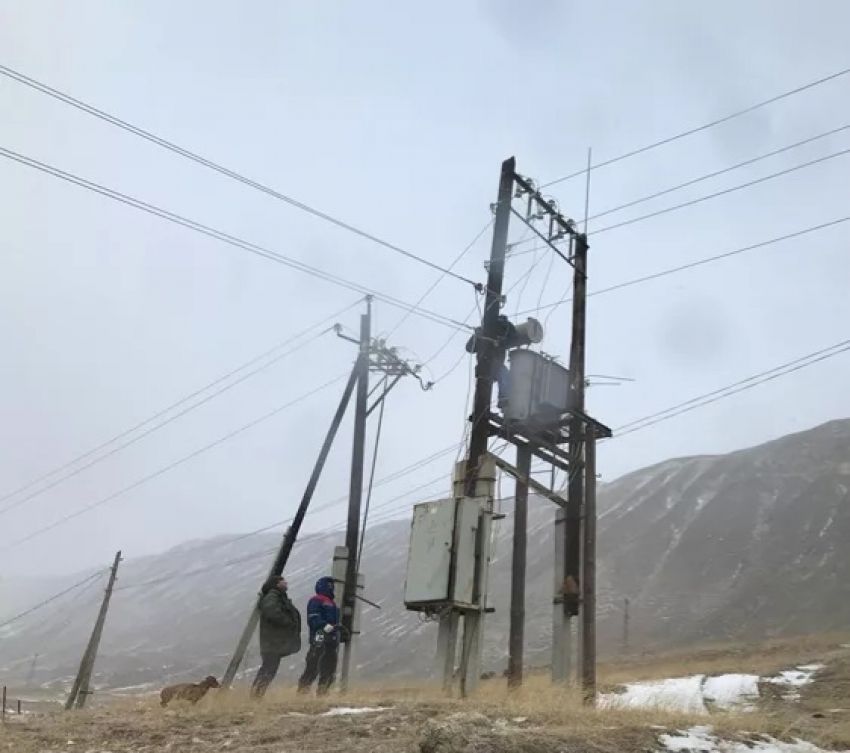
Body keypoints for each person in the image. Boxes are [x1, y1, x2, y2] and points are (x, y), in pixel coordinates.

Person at [250, 575, 301, 698]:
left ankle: (257, 695)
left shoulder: (278, 597)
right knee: (268, 669)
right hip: (272, 642)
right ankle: (256, 696)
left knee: (269, 669)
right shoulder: (272, 597)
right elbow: (272, 612)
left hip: (274, 641)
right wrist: (287, 622)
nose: (286, 583)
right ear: (277, 584)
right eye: (283, 581)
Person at [297, 576, 340, 695]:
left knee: (329, 667)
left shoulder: (332, 603)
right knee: (313, 664)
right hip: (319, 635)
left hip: (331, 639)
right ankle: (302, 692)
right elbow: (313, 617)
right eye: (329, 585)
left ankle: (323, 693)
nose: (331, 587)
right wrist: (324, 625)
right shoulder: (316, 600)